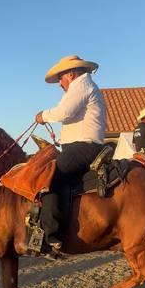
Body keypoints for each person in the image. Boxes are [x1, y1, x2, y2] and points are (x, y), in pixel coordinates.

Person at [35, 55, 106, 250]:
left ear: (71, 74)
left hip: (83, 147)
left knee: (49, 177)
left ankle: (50, 235)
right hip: (81, 146)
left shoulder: (81, 86)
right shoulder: (84, 86)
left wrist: (43, 116)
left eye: (60, 78)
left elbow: (64, 112)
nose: (59, 83)